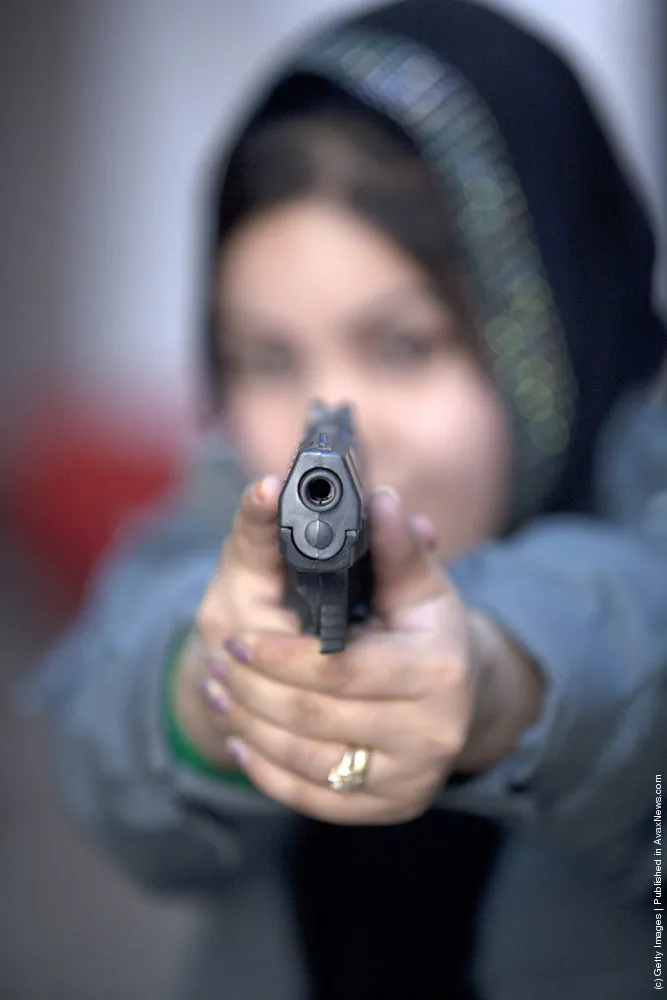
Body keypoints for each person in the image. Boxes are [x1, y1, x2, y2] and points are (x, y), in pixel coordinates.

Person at [21, 2, 667, 998]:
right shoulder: (222, 502)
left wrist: (496, 685)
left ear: (553, 320)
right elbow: (99, 737)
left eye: (403, 345)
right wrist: (211, 684)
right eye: (266, 357)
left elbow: (638, 633)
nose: (340, 428)